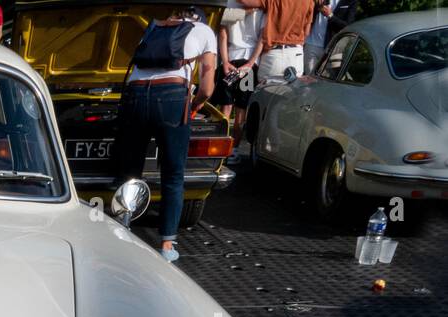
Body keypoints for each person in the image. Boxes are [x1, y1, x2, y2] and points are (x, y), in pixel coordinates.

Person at [113, 7, 218, 262]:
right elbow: (206, 84)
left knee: (130, 169)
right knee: (172, 173)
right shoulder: (204, 31)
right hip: (171, 97)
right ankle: (167, 245)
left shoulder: (154, 27)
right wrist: (195, 105)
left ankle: (122, 228)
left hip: (136, 94)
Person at [213, 1, 263, 155]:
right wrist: (250, 63)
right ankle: (233, 150)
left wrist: (225, 61)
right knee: (241, 109)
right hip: (248, 64)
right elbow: (263, 37)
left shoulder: (230, 3)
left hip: (231, 61)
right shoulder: (264, 5)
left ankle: (220, 146)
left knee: (226, 107)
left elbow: (222, 32)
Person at [239, 0, 315, 79]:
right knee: (292, 90)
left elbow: (243, 1)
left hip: (274, 56)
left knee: (266, 90)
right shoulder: (309, 2)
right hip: (297, 55)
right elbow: (306, 32)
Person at [303, 1, 336, 74]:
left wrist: (330, 15)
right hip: (311, 44)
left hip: (333, 48)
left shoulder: (350, 1)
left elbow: (347, 25)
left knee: (330, 82)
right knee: (310, 80)